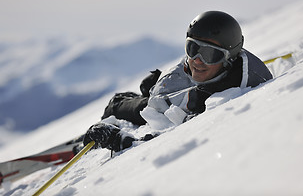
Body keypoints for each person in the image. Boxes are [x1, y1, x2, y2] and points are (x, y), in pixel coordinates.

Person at [83, 11, 273, 152]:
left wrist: (118, 140)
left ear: (228, 58)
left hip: (168, 110)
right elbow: (190, 67)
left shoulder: (225, 102)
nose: (197, 60)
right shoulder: (224, 69)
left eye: (209, 54)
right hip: (180, 99)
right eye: (192, 48)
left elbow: (170, 142)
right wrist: (161, 80)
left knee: (116, 106)